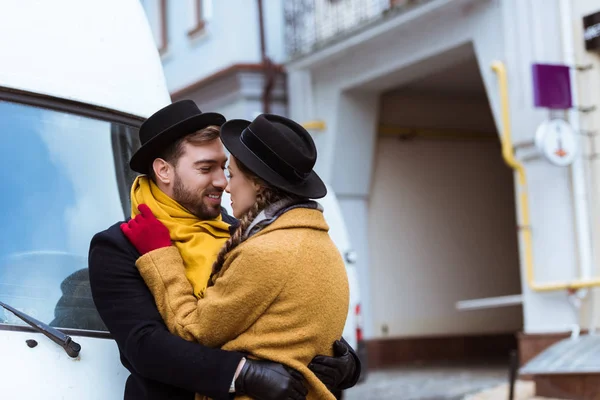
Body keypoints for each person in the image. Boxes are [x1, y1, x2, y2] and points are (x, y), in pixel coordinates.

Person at [88, 100, 360, 400]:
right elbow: (144, 346)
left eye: (224, 168)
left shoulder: (245, 232)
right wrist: (243, 374)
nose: (221, 182)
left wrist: (342, 358)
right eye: (205, 168)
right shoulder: (121, 244)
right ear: (164, 171)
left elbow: (281, 315)